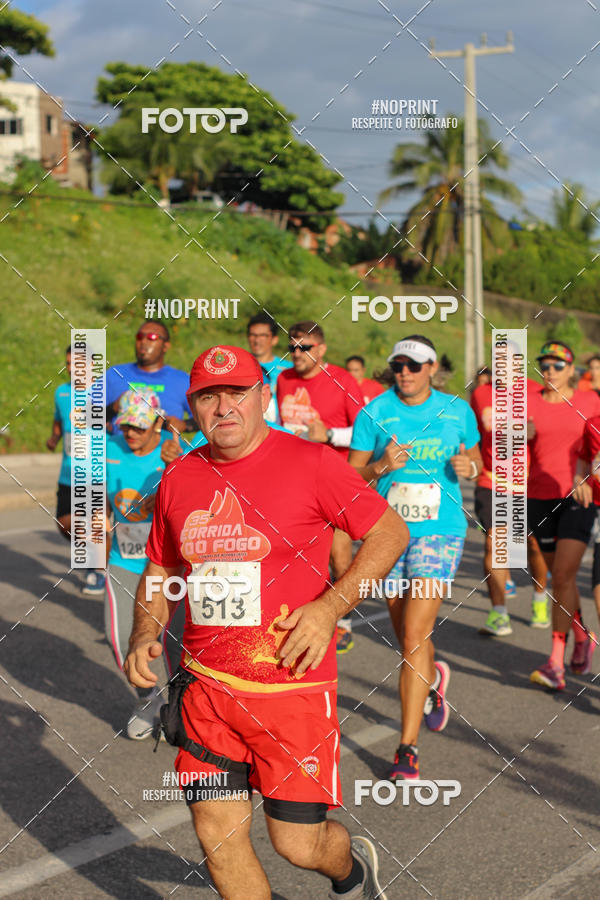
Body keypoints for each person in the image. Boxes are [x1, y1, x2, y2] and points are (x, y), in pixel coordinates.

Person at [124, 344, 408, 900]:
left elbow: (389, 534)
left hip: (291, 689)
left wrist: (329, 608)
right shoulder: (180, 477)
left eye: (236, 393)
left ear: (261, 396)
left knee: (297, 845)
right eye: (209, 396)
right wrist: (143, 631)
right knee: (217, 836)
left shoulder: (312, 463)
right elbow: (160, 565)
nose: (224, 406)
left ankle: (352, 872)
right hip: (205, 692)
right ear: (194, 407)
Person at [348, 335, 481, 780]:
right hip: (387, 532)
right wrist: (381, 466)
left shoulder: (456, 410)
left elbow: (476, 457)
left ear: (431, 368)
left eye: (414, 364)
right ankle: (433, 679)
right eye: (398, 365)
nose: (404, 372)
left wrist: (471, 468)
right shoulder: (376, 411)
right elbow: (350, 476)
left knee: (411, 639)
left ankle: (407, 748)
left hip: (439, 530)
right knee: (408, 631)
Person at [277, 322, 365, 653]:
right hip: (292, 477)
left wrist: (327, 436)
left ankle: (343, 620)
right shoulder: (284, 379)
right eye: (292, 348)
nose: (297, 354)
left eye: (305, 348)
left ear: (322, 349)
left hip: (334, 477)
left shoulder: (342, 381)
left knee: (339, 554)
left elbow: (364, 432)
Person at [105, 388, 185, 739]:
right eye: (126, 428)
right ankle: (147, 699)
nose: (131, 434)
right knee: (121, 638)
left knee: (173, 644)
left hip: (167, 567)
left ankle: (182, 710)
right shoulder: (107, 452)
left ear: (157, 423)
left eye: (139, 427)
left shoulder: (175, 453)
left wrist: (173, 468)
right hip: (123, 562)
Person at [528, 341, 600, 691]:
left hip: (578, 498)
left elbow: (592, 451)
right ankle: (582, 635)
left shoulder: (590, 403)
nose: (551, 370)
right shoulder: (527, 402)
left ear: (572, 370)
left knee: (562, 576)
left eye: (559, 365)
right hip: (536, 497)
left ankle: (555, 662)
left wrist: (585, 476)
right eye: (546, 364)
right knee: (561, 581)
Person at [470, 376, 549, 635]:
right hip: (491, 480)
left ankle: (539, 599)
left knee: (533, 545)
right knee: (494, 542)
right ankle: (499, 614)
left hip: (528, 481)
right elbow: (473, 435)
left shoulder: (535, 392)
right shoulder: (481, 393)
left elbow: (549, 430)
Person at [46, 346, 105, 596]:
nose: (72, 368)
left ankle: (99, 570)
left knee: (93, 524)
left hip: (97, 474)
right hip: (68, 473)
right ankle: (99, 553)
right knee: (65, 524)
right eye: (69, 363)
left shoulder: (103, 394)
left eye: (77, 364)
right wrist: (54, 437)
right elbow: (59, 419)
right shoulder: (61, 392)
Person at [106, 321, 194, 436]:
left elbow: (205, 418)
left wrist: (184, 425)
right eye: (139, 337)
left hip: (164, 451)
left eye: (152, 337)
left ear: (166, 346)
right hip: (118, 450)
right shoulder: (114, 374)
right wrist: (112, 408)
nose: (143, 342)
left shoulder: (183, 381)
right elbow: (86, 415)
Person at [247, 311, 293, 423]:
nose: (257, 340)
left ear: (274, 339)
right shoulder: (240, 366)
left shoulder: (289, 370)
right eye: (253, 335)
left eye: (263, 335)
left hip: (282, 431)